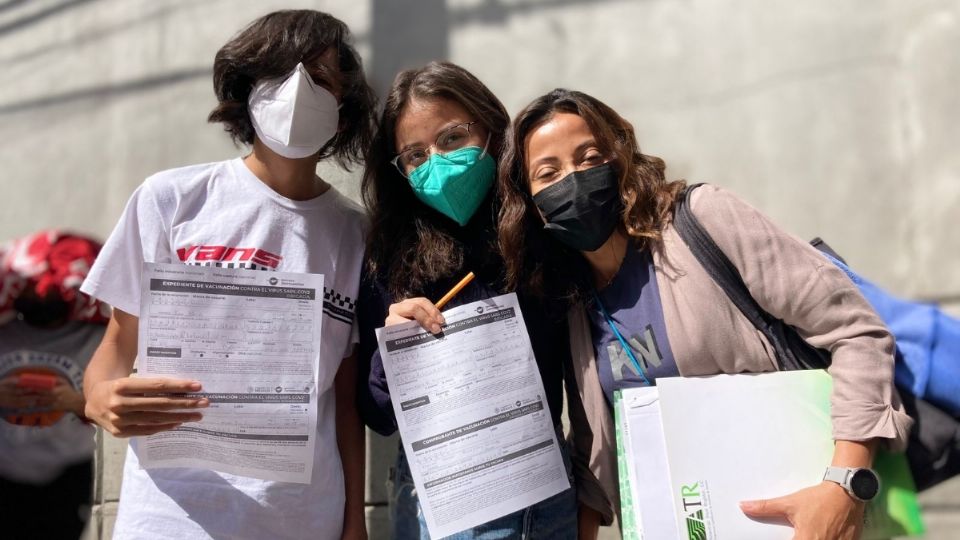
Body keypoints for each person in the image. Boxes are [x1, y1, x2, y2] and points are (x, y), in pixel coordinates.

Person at [496, 88, 913, 540]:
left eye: (589, 156)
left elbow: (857, 332)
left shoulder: (701, 220)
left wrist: (844, 487)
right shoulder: (573, 302)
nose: (572, 180)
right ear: (532, 203)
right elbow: (594, 458)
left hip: (809, 518)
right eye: (548, 173)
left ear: (619, 159)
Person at [78, 10, 376, 540]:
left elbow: (346, 400)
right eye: (281, 75)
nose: (298, 92)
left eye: (321, 79)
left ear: (345, 111)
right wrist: (99, 398)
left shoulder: (357, 234)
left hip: (303, 518)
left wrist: (354, 521)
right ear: (248, 91)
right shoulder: (171, 200)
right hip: (170, 517)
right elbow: (115, 351)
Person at [355, 61, 577, 539]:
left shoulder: (539, 229)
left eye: (452, 138)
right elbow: (377, 416)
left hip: (539, 487)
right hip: (436, 499)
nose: (436, 161)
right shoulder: (388, 254)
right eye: (414, 155)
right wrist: (390, 356)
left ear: (492, 129)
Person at [0, 230, 109, 540]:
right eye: (33, 291)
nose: (43, 295)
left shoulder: (98, 338)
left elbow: (116, 411)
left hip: (67, 474)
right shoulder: (4, 328)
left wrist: (73, 401)